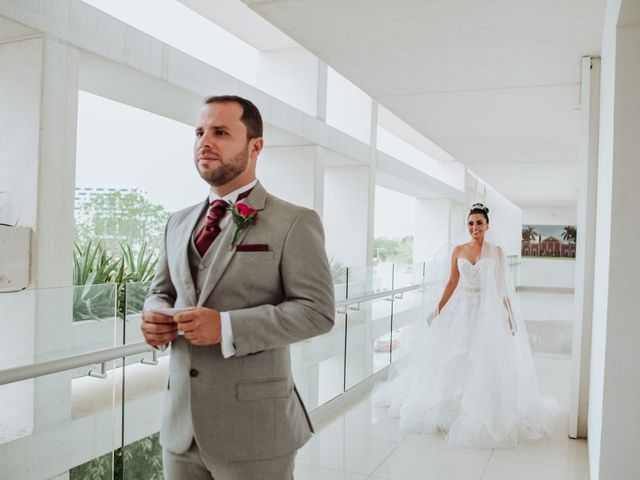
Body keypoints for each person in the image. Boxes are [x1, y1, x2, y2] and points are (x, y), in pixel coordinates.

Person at [141, 95, 335, 479]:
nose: (204, 141)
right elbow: (160, 291)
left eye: (221, 132)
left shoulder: (294, 221)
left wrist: (227, 327)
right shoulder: (176, 223)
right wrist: (153, 317)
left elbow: (317, 311)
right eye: (199, 131)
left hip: (256, 431)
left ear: (255, 146)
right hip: (180, 430)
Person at [373, 203, 558, 448]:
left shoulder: (497, 252)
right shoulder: (458, 250)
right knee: (455, 355)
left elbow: (502, 286)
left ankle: (481, 407)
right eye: (471, 223)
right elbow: (451, 283)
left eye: (479, 222)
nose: (474, 227)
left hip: (488, 311)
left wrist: (509, 315)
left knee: (485, 357)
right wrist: (437, 310)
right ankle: (451, 404)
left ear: (487, 225)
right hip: (463, 309)